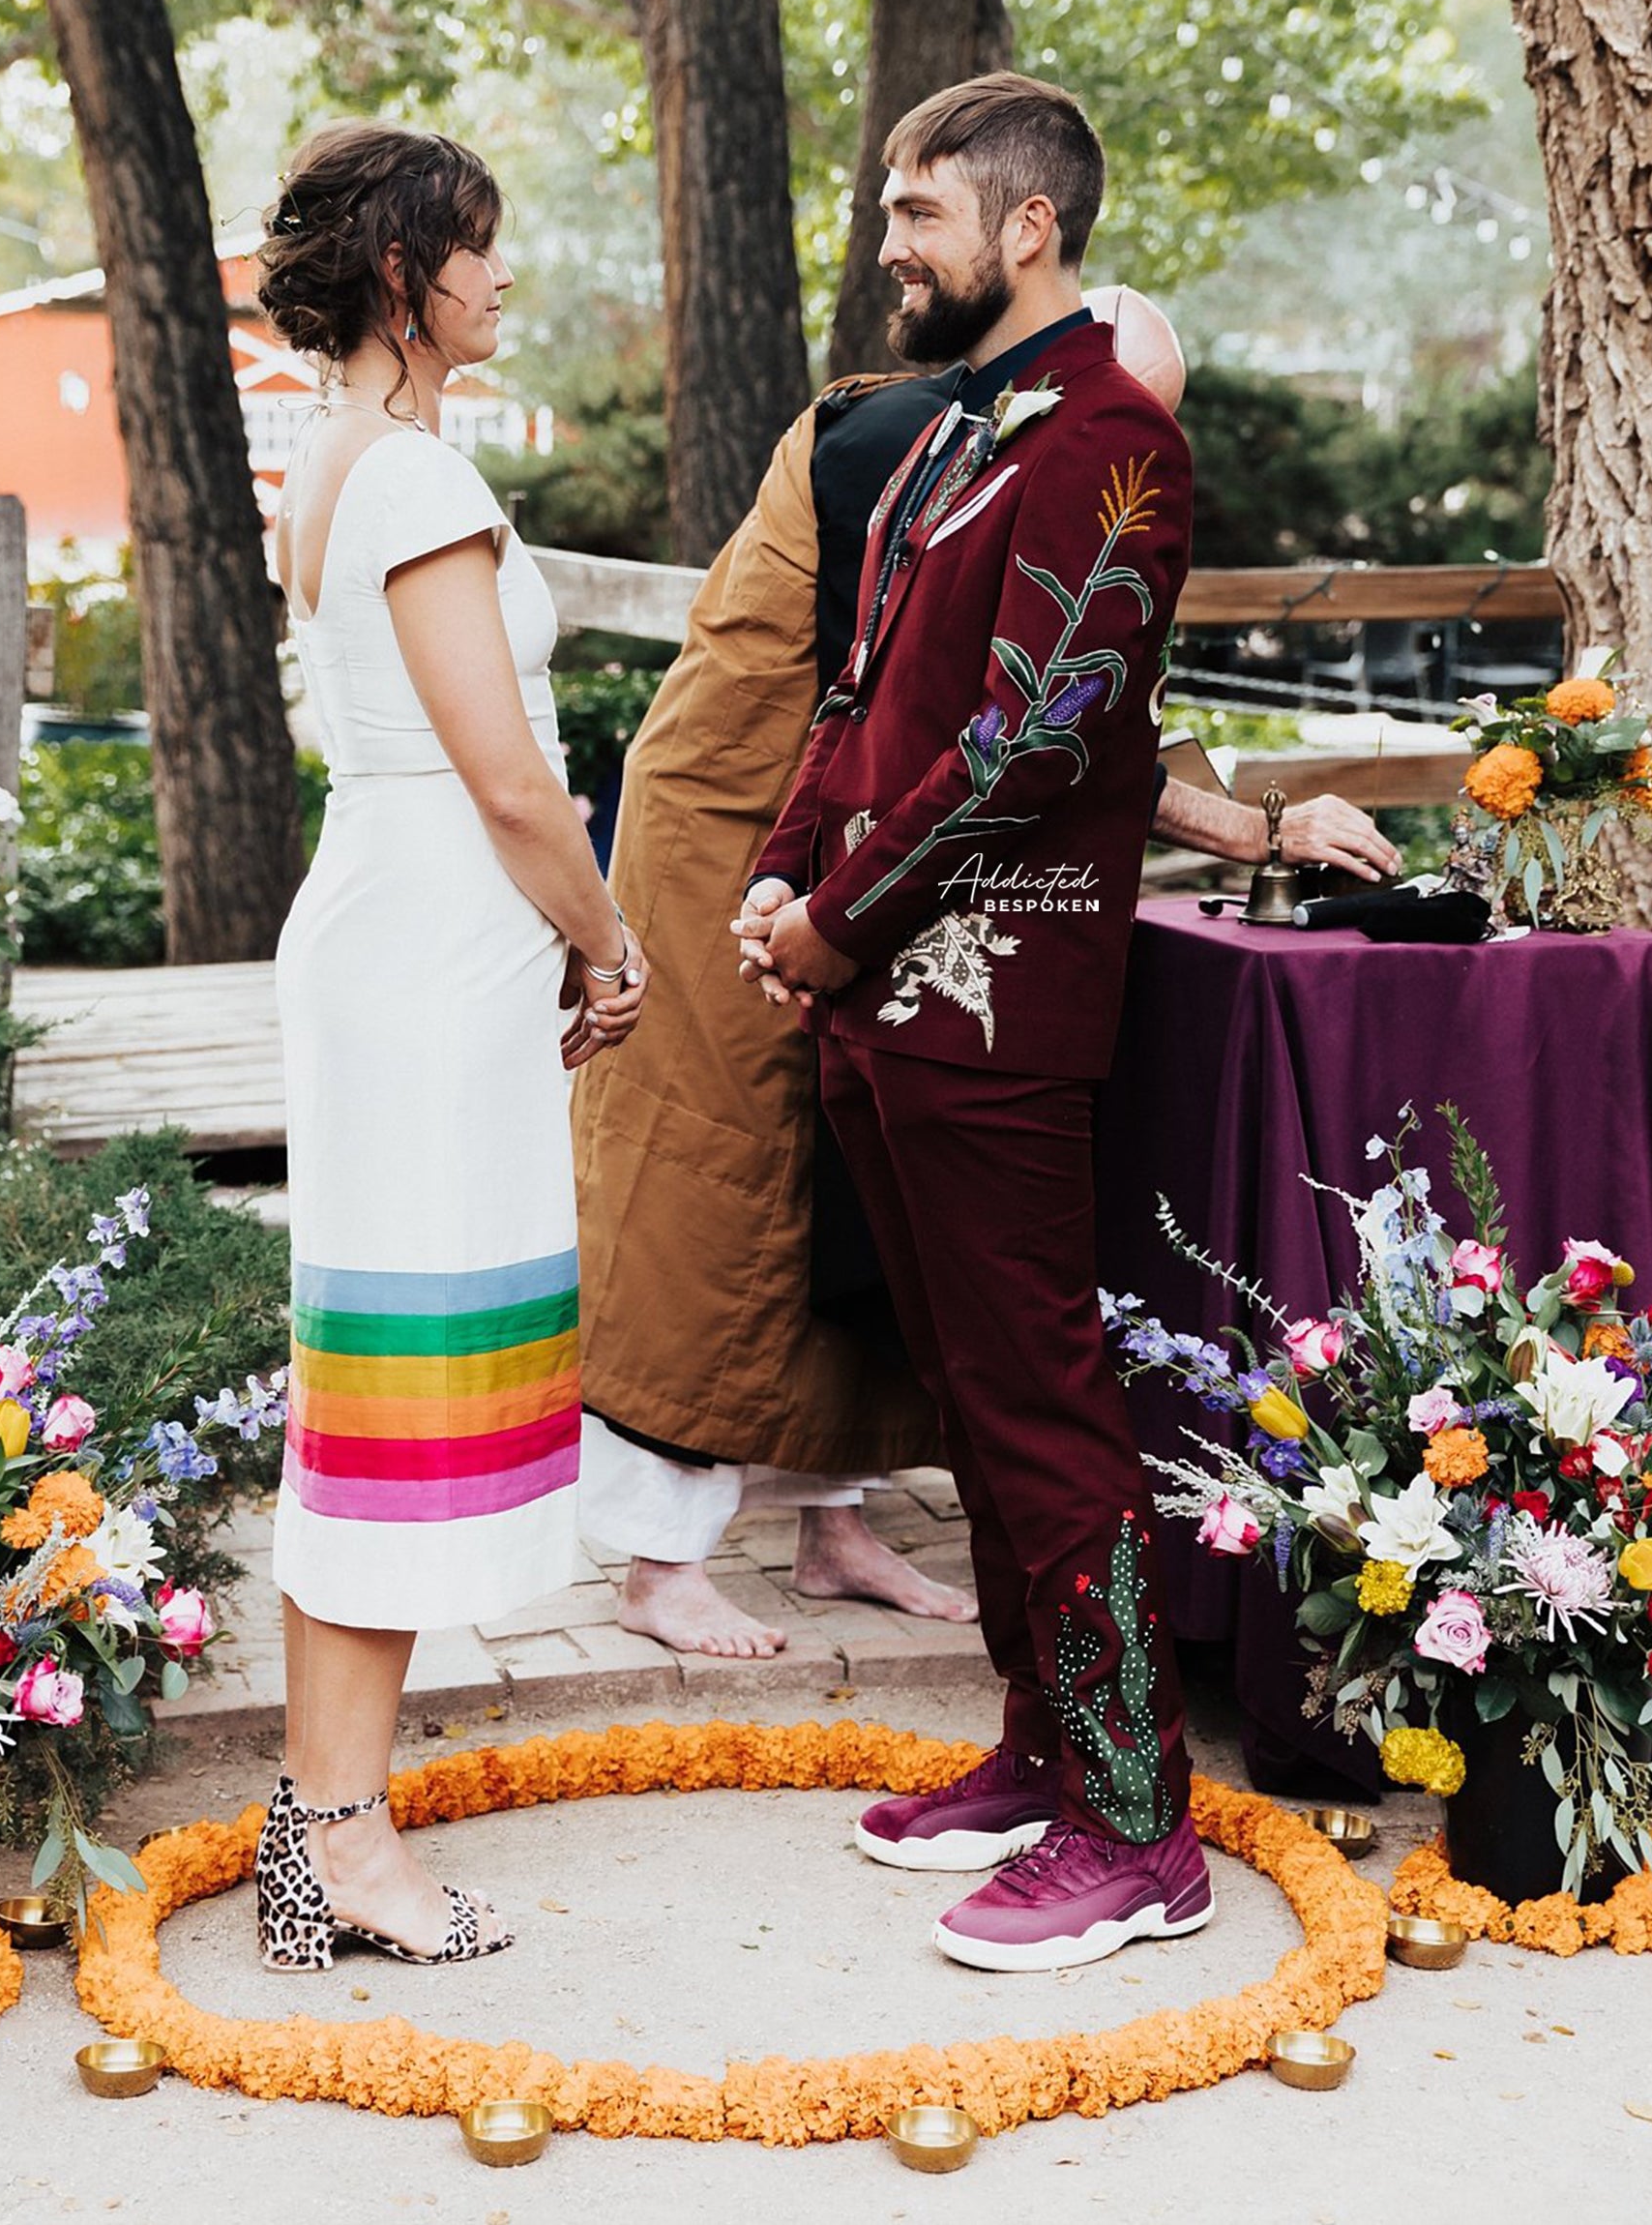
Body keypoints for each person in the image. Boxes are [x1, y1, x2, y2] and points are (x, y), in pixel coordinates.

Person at [575, 293, 1395, 1661]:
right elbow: (1035, 719)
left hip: (858, 842)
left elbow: (1064, 687)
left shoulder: (1033, 444)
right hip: (734, 826)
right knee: (723, 1191)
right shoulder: (909, 447)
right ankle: (657, 1559)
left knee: (860, 1182)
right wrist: (1250, 830)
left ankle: (832, 1524)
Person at [738, 72, 1212, 1973]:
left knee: (1034, 1392)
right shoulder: (955, 437)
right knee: (965, 1392)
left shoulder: (1109, 438)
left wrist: (839, 924)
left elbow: (1035, 740)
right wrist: (784, 880)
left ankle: (1130, 1824)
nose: (887, 248)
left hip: (997, 993)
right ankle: (1036, 1748)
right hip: (874, 992)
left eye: (915, 213)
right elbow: (861, 694)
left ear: (1023, 226)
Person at [253, 120, 648, 1971]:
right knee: (393, 1412)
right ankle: (339, 1841)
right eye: (479, 249)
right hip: (431, 944)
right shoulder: (409, 481)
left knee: (386, 1400)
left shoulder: (341, 458)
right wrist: (607, 940)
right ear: (406, 272)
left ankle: (319, 1824)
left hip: (406, 935)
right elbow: (509, 777)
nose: (504, 279)